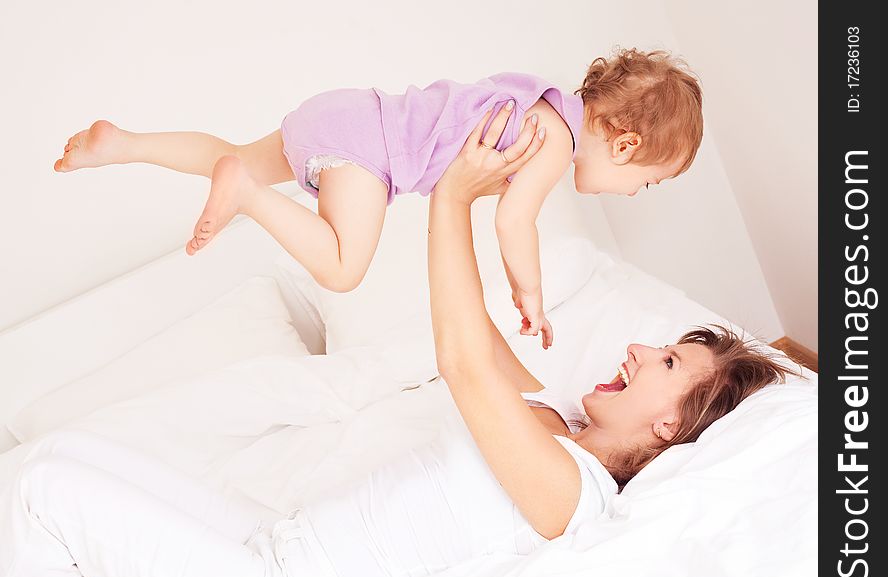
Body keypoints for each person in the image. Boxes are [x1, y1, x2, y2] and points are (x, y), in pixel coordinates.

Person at [2, 105, 783, 577]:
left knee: (41, 485)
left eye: (671, 365)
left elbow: (462, 363)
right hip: (272, 537)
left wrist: (447, 196)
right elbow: (473, 327)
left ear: (669, 430)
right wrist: (476, 196)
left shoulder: (576, 494)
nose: (643, 349)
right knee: (62, 449)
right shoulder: (552, 417)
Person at [52, 48, 704, 346]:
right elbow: (513, 222)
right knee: (341, 267)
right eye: (645, 180)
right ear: (622, 145)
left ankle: (124, 144)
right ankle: (247, 194)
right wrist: (528, 294)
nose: (636, 192)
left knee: (229, 150)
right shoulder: (555, 140)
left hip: (346, 113)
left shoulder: (538, 93)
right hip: (366, 154)